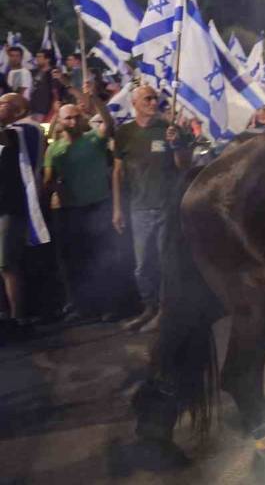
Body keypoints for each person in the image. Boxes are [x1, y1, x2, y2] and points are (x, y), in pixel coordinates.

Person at [112, 85, 191, 332]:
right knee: (143, 265)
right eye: (148, 98)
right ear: (134, 102)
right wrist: (117, 208)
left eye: (155, 97)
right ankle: (150, 308)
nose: (153, 101)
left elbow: (184, 166)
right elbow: (117, 172)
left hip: (167, 207)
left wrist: (176, 144)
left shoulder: (168, 129)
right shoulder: (124, 133)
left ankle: (167, 312)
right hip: (138, 209)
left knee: (167, 263)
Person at [44, 82, 118, 321]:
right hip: (71, 211)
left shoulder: (93, 139)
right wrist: (56, 190)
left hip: (99, 207)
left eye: (77, 117)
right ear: (60, 120)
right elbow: (48, 179)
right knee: (78, 262)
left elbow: (108, 122)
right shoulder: (54, 150)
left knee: (103, 259)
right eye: (68, 119)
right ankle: (81, 307)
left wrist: (94, 97)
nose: (73, 122)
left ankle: (109, 305)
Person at [0, 93, 48, 340]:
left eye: (2, 103)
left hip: (12, 208)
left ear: (18, 110)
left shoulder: (26, 130)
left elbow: (6, 137)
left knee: (8, 264)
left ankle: (19, 319)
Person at [28, 50, 59, 122]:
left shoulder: (54, 73)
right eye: (36, 56)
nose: (37, 59)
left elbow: (56, 92)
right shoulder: (34, 72)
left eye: (40, 57)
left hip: (45, 111)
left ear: (47, 59)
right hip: (32, 109)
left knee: (44, 132)